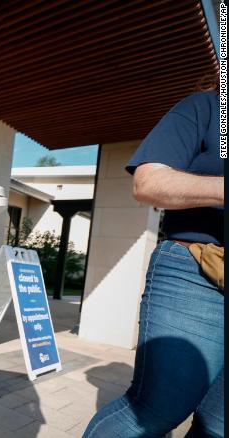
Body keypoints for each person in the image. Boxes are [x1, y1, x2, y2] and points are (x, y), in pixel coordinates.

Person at [83, 82, 224, 436]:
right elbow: (149, 183)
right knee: (157, 410)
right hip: (197, 270)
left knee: (219, 427)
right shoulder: (205, 107)